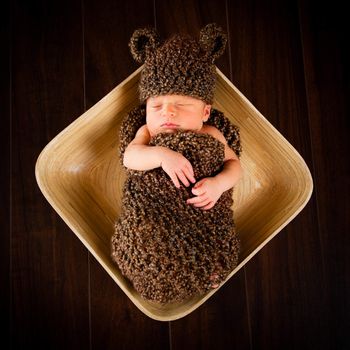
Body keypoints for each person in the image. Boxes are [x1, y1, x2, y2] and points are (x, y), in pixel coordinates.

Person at [123, 93, 242, 210]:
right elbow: (129, 157)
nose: (167, 112)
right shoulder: (148, 133)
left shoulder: (211, 134)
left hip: (200, 209)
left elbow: (233, 163)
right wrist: (161, 155)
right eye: (157, 106)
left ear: (205, 112)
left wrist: (218, 184)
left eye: (181, 104)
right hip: (154, 206)